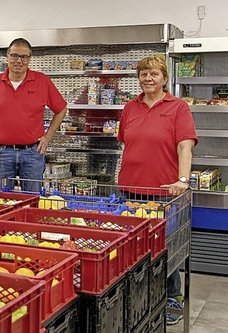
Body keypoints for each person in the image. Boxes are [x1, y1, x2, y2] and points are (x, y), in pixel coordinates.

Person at [117, 55, 197, 325]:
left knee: (167, 247)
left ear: (164, 78)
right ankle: (141, 295)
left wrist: (183, 181)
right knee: (134, 248)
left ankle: (173, 296)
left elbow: (185, 146)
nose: (147, 79)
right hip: (131, 190)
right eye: (143, 74)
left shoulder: (178, 108)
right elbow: (126, 144)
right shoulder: (130, 107)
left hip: (165, 192)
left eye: (153, 74)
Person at [0, 38, 67, 193]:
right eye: (14, 55)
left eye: (24, 57)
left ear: (29, 59)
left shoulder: (42, 81)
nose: (19, 61)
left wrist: (48, 137)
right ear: (7, 56)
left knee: (32, 201)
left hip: (33, 154)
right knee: (1, 203)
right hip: (1, 154)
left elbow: (61, 109)